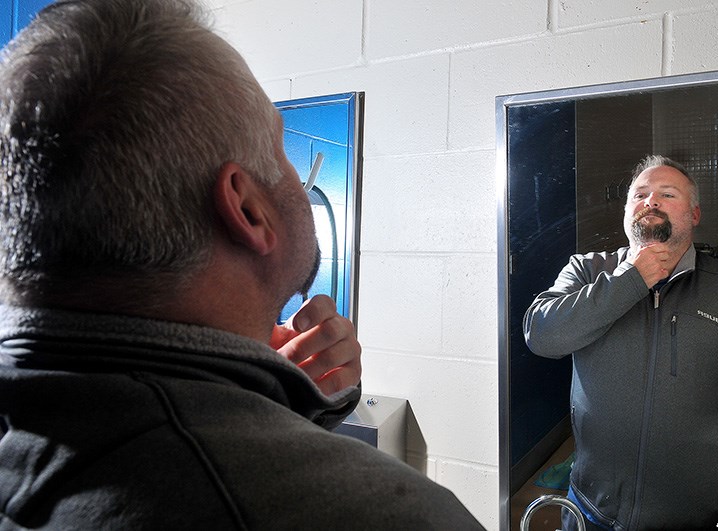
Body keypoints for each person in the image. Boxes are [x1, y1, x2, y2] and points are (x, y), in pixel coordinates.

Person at [0, 1, 485, 529]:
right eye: (282, 153)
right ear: (250, 210)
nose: (298, 180)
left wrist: (274, 407)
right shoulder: (390, 516)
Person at [523, 155, 718, 530]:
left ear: (694, 215)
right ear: (627, 211)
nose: (650, 201)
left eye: (667, 194)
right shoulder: (586, 271)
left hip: (702, 519)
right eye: (639, 194)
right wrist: (629, 280)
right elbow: (542, 335)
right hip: (592, 511)